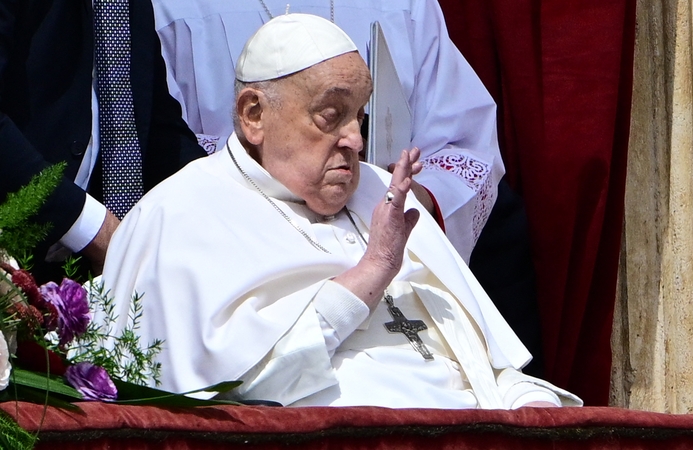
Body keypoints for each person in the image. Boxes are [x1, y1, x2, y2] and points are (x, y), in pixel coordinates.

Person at [100, 14, 580, 409]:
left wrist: (529, 406)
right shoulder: (184, 212)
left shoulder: (381, 190)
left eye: (360, 115)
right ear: (253, 115)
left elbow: (485, 360)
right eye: (331, 115)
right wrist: (372, 272)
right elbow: (240, 389)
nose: (356, 139)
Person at [151, 0, 502, 263]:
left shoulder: (404, 5)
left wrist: (406, 197)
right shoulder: (172, 8)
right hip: (246, 249)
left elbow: (464, 142)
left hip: (391, 246)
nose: (355, 139)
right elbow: (162, 143)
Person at [0, 0, 206, 279]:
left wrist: (227, 197)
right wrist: (93, 228)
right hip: (18, 251)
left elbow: (153, 125)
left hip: (96, 266)